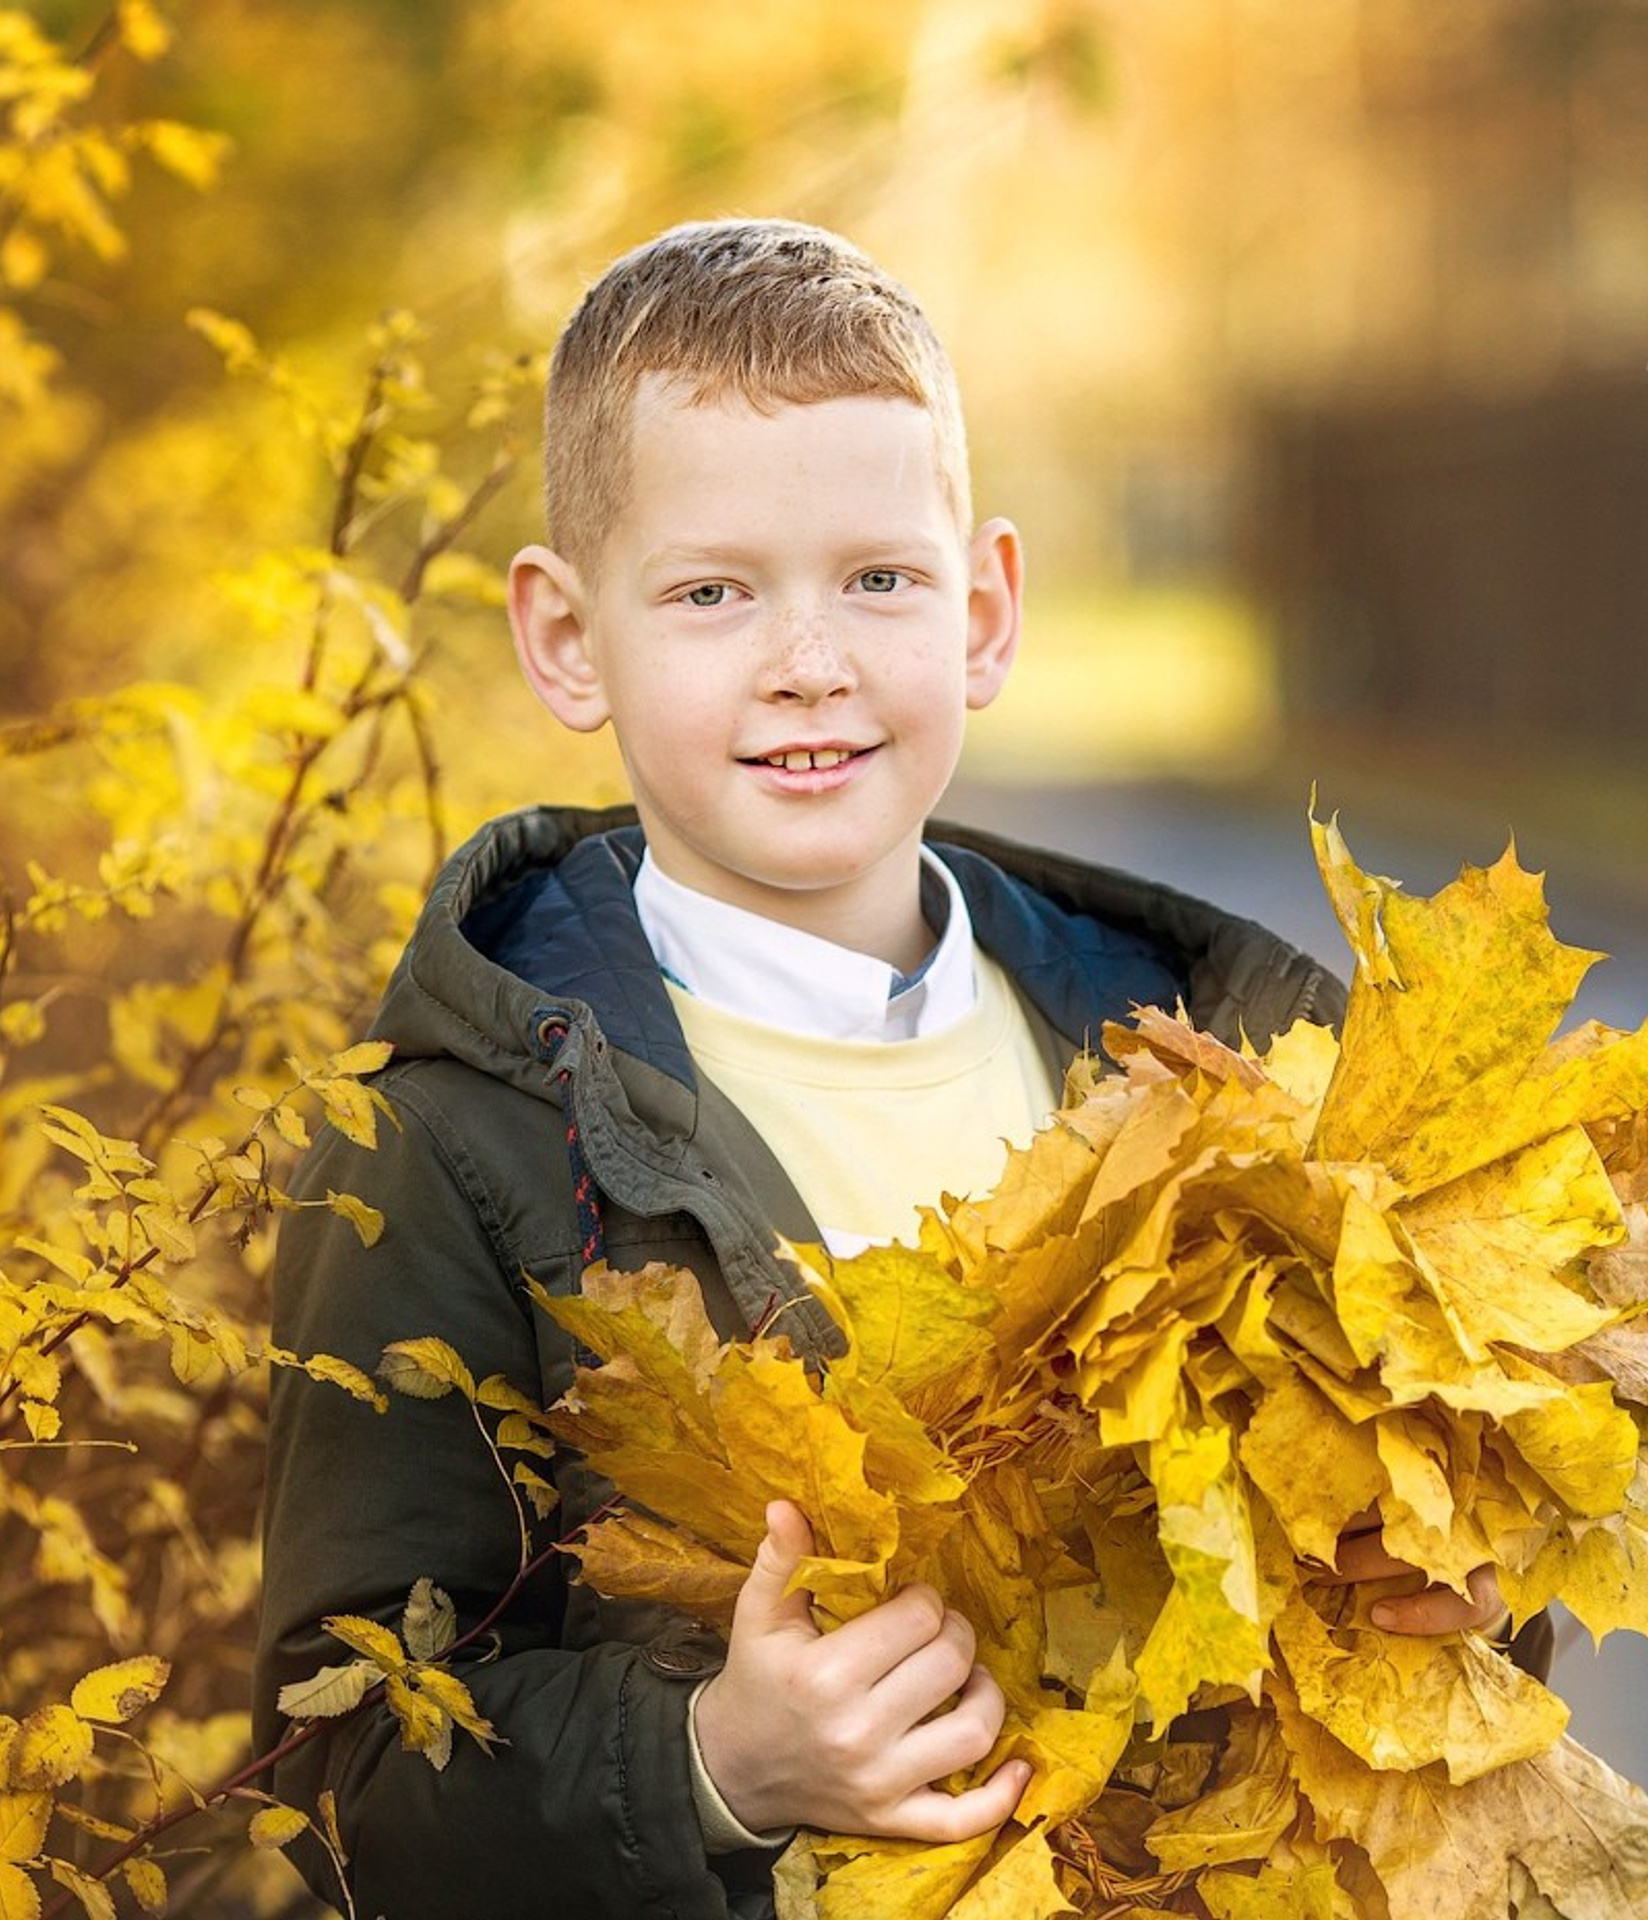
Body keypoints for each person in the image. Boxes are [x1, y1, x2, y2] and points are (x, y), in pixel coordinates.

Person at [253, 218, 1522, 1920]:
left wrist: (1459, 1581)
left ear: (983, 612)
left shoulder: (1213, 1071)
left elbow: (1407, 1576)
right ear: (567, 640)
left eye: (878, 580)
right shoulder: (446, 1151)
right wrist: (714, 1769)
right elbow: (338, 1780)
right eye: (711, 593)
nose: (811, 662)